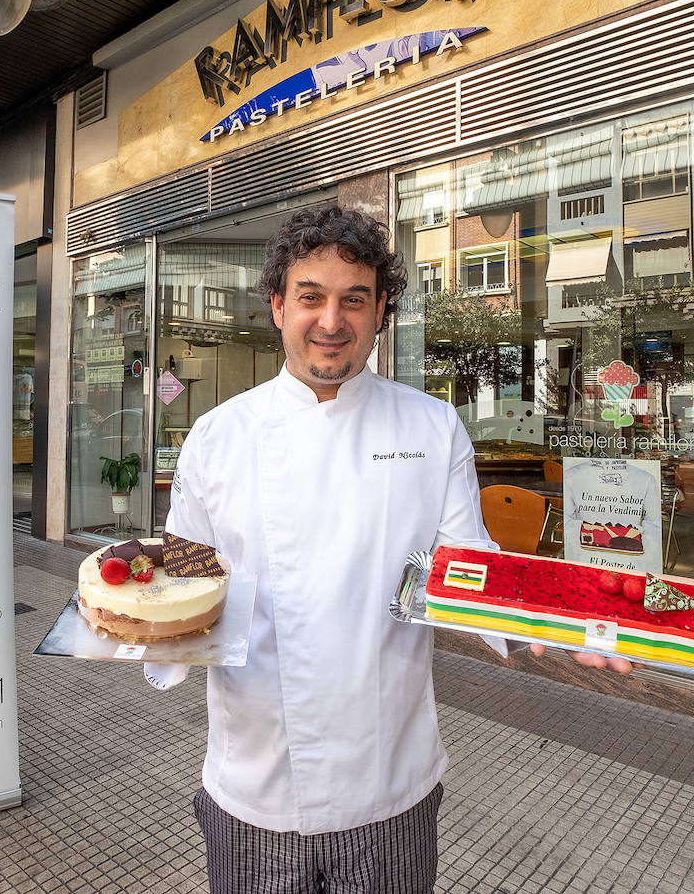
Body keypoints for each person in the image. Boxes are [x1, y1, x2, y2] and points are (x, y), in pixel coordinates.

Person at [147, 207, 630, 893]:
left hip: (389, 788)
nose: (332, 320)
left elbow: (472, 570)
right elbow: (187, 583)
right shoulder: (216, 437)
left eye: (355, 298)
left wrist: (567, 615)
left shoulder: (431, 426)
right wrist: (136, 620)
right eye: (311, 296)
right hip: (253, 785)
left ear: (382, 311)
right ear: (278, 305)